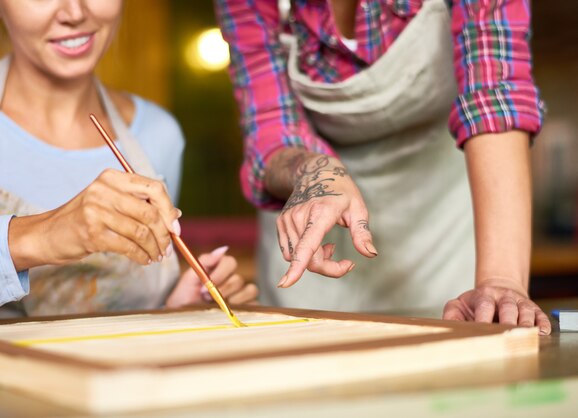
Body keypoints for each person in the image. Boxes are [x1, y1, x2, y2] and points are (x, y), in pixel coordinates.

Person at [215, 0, 551, 334]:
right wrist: (315, 172)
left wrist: (501, 278)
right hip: (313, 250)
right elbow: (270, 128)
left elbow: (494, 95)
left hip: (442, 230)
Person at [0, 0, 257, 320]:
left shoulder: (159, 133)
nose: (75, 13)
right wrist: (44, 236)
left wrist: (175, 310)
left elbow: (133, 319)